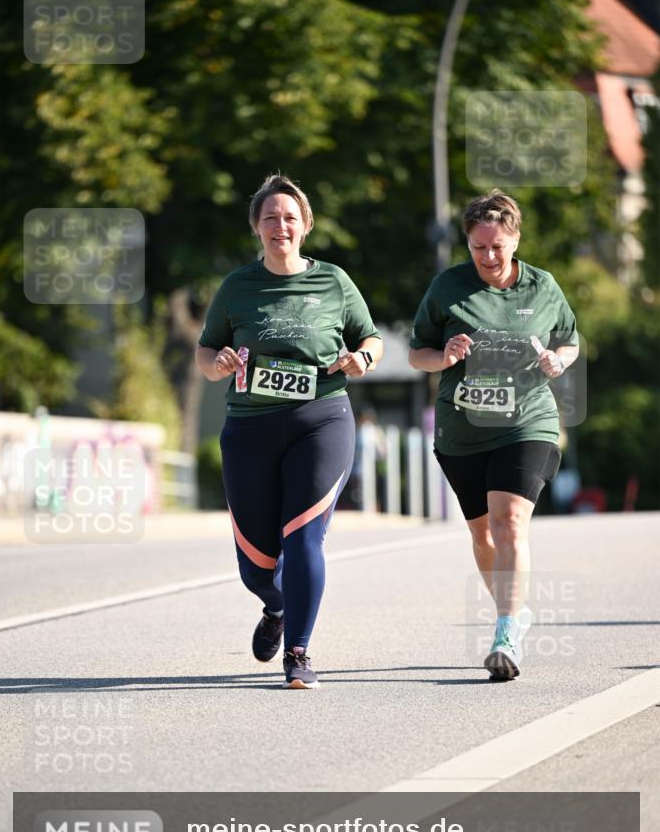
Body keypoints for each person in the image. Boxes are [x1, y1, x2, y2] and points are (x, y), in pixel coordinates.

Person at [196, 173, 383, 688]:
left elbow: (370, 336)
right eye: (271, 217)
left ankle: (298, 652)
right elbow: (206, 352)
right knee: (256, 566)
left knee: (303, 539)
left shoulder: (334, 282)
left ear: (306, 227)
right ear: (257, 227)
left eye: (290, 217)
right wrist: (219, 365)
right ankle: (276, 606)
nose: (281, 225)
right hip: (250, 427)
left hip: (321, 419)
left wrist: (363, 356)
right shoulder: (237, 286)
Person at [409, 190, 579, 681]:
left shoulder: (543, 288)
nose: (487, 257)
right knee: (482, 533)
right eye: (478, 247)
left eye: (497, 247)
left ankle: (506, 633)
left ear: (515, 239)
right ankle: (514, 608)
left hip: (528, 420)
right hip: (463, 430)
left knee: (508, 522)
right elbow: (418, 351)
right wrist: (443, 356)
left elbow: (568, 338)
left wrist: (557, 360)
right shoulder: (447, 289)